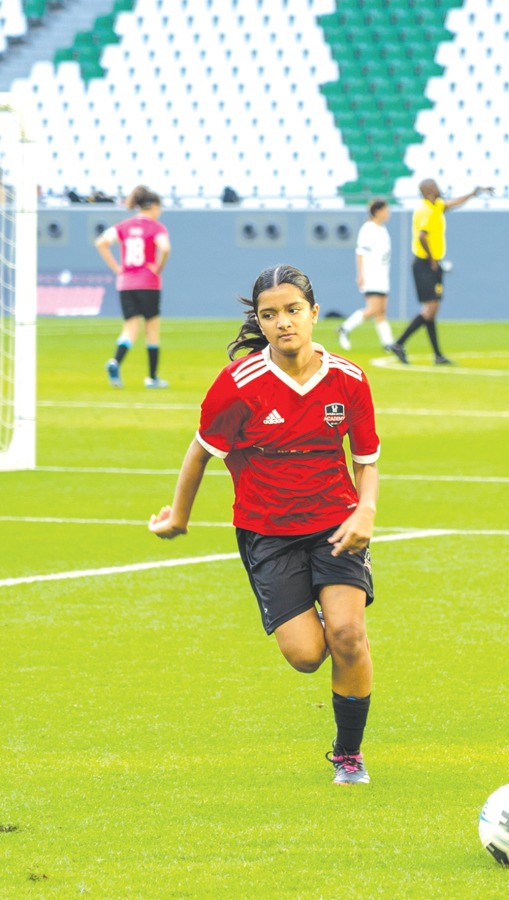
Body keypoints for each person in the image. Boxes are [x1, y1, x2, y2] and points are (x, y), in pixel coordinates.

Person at [149, 265, 380, 784]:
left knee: (347, 634)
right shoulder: (238, 385)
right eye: (269, 314)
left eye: (293, 310)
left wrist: (365, 510)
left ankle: (349, 755)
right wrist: (178, 518)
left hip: (335, 526)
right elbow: (200, 452)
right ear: (259, 320)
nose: (283, 323)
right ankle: (319, 624)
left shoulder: (349, 378)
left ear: (314, 313)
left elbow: (366, 460)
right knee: (306, 656)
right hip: (267, 533)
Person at [389, 179, 492, 365]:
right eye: (434, 187)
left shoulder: (435, 205)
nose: (438, 189)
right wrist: (432, 260)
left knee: (432, 310)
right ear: (428, 191)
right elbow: (422, 237)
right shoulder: (425, 210)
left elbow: (451, 204)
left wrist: (473, 193)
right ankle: (399, 343)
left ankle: (437, 355)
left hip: (430, 264)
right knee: (429, 309)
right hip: (425, 264)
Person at [95, 185, 171, 389]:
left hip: (126, 283)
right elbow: (165, 248)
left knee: (130, 327)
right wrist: (159, 267)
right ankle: (152, 377)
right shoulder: (156, 227)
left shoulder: (124, 226)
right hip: (148, 282)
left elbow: (101, 242)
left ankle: (115, 362)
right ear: (153, 206)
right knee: (152, 329)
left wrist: (117, 268)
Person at [337, 199, 404, 360]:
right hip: (372, 275)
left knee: (381, 311)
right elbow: (360, 253)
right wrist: (360, 274)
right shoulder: (368, 229)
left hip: (382, 275)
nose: (388, 213)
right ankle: (345, 328)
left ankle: (388, 343)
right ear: (378, 211)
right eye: (386, 210)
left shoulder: (382, 229)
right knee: (373, 309)